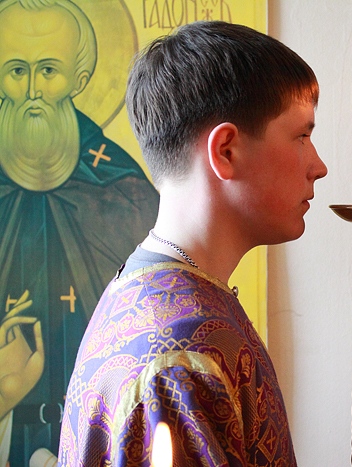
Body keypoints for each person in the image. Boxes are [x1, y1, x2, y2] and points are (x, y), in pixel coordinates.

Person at [57, 21, 327, 466]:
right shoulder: (182, 356)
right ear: (225, 151)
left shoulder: (154, 290)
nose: (319, 166)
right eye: (302, 136)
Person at [0, 0, 159, 464]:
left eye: (48, 71)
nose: (32, 91)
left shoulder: (125, 192)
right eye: (16, 71)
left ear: (81, 79)